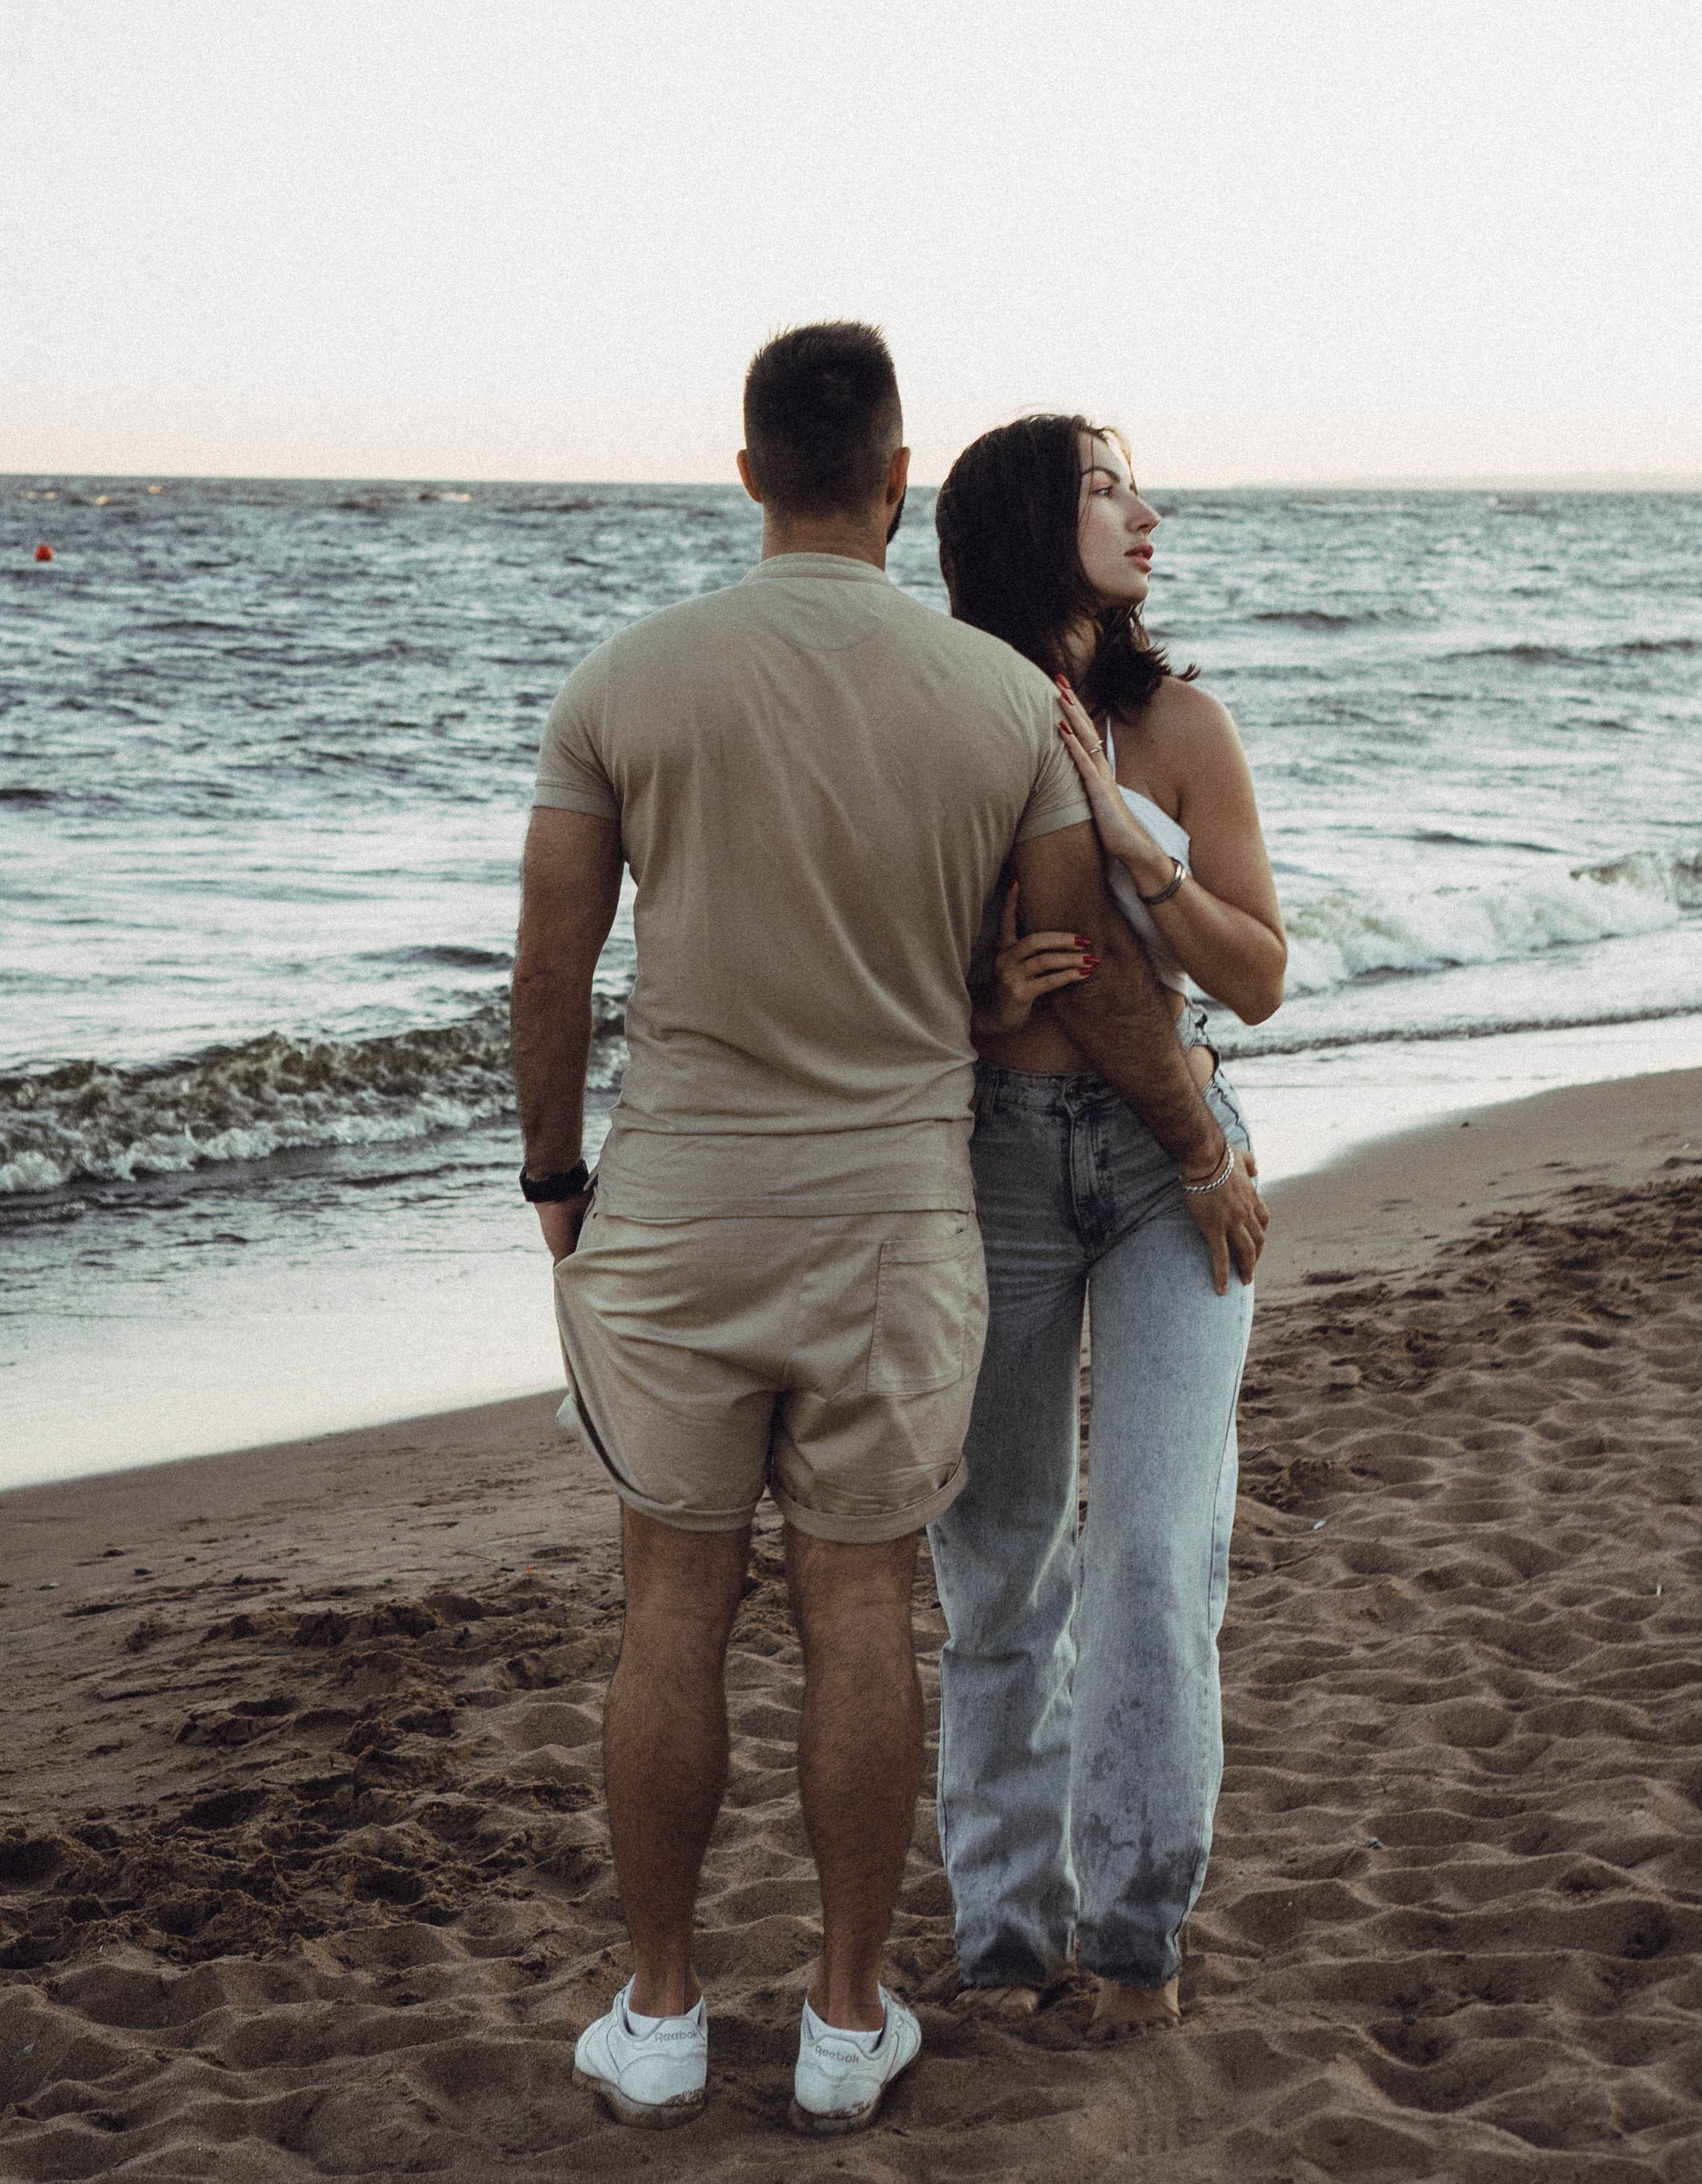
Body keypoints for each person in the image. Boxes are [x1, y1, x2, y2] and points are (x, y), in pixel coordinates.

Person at [511, 328, 1250, 2135]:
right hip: (908, 1212)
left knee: (672, 1609)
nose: (1136, 511)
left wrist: (555, 1186)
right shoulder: (991, 705)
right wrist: (1157, 1116)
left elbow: (549, 969)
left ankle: (662, 2012)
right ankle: (853, 2019)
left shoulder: (620, 680)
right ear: (898, 481)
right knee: (874, 1601)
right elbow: (1062, 981)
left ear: (746, 472)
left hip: (684, 1215)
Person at [930, 414, 1286, 2039]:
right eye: (1101, 487)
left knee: (1151, 1552)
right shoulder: (944, 720)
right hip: (995, 1164)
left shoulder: (1181, 723)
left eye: (1133, 485)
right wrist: (976, 1000)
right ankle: (1006, 1944)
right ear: (1023, 523)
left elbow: (1257, 977)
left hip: (1172, 1169)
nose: (1145, 512)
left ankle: (1136, 1938)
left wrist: (1144, 857)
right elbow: (880, 965)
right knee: (999, 1567)